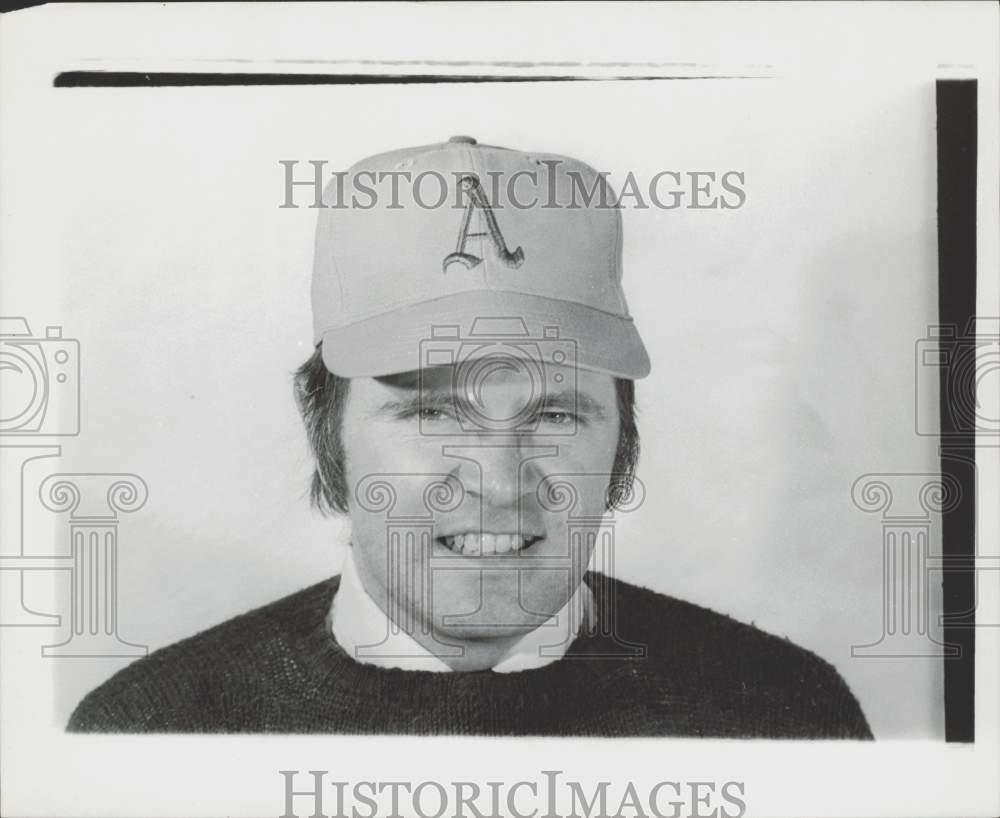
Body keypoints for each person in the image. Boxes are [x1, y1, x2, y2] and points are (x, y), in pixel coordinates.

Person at [68, 136, 871, 738]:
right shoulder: (150, 730)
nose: (498, 477)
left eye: (555, 415)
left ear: (622, 448)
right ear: (329, 442)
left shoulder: (786, 712)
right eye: (430, 412)